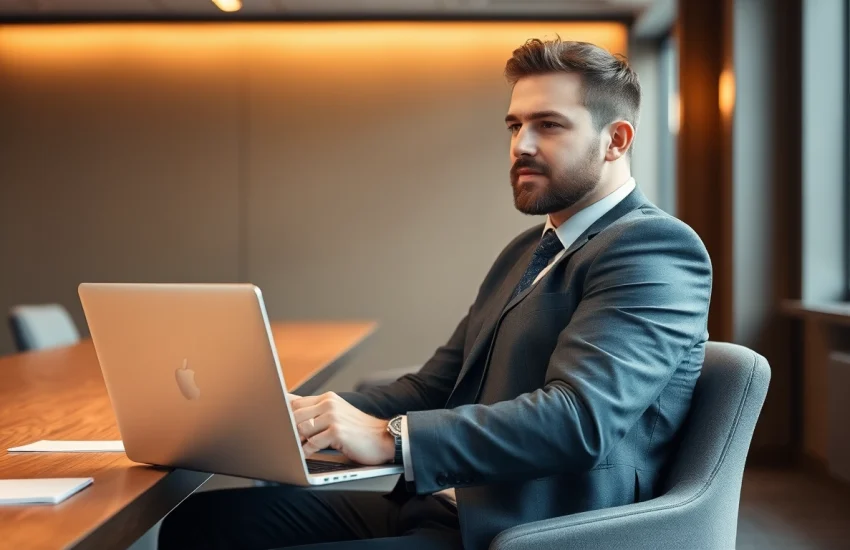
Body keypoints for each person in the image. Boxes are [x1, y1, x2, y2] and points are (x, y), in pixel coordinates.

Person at [159, 37, 712, 550]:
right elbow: (436, 386)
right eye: (514, 125)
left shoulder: (653, 248)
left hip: (529, 528)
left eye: (548, 125)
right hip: (450, 502)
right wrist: (294, 418)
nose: (522, 144)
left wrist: (392, 438)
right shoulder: (529, 248)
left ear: (615, 140)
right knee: (200, 523)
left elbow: (578, 420)